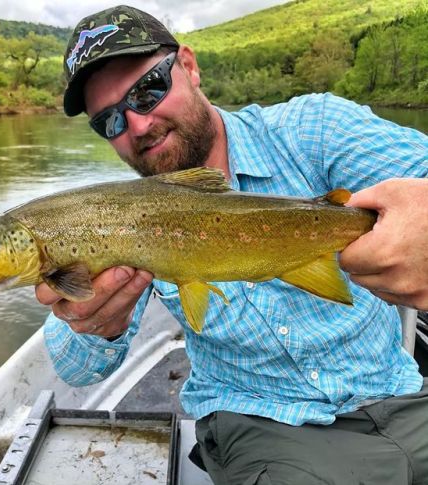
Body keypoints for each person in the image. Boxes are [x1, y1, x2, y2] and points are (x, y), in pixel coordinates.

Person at [37, 5, 428, 484]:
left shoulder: (315, 128)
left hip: (401, 394)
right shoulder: (119, 214)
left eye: (148, 90)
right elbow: (74, 369)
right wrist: (91, 324)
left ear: (190, 66)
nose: (137, 125)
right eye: (109, 122)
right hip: (260, 424)